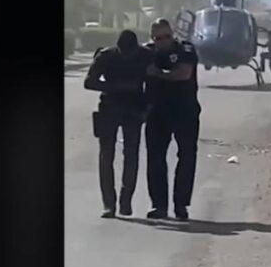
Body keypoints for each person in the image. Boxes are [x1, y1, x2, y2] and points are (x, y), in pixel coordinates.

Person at [83, 30, 152, 218]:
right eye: (124, 53)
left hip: (134, 108)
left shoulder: (145, 56)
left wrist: (148, 108)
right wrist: (116, 86)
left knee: (131, 155)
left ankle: (125, 201)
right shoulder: (106, 56)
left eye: (130, 53)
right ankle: (109, 204)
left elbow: (154, 83)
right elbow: (89, 82)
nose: (127, 56)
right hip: (110, 106)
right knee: (107, 156)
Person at [144, 19, 201, 221]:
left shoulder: (185, 48)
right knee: (156, 159)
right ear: (153, 38)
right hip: (158, 111)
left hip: (184, 110)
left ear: (172, 34)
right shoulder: (147, 52)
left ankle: (180, 204)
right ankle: (159, 205)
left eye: (166, 36)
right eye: (158, 38)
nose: (163, 41)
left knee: (186, 157)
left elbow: (184, 73)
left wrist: (158, 73)